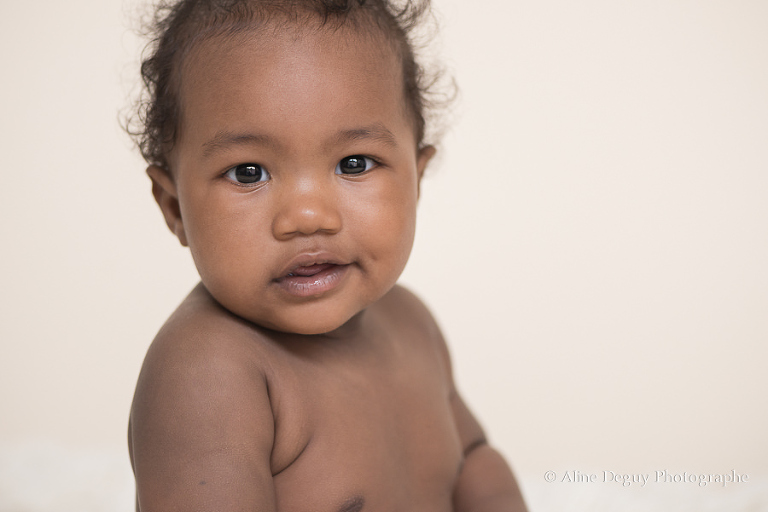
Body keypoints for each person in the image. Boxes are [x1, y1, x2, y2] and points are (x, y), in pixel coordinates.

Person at [127, 0, 528, 510]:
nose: (309, 216)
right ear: (174, 206)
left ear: (417, 178)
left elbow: (473, 460)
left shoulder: (411, 322)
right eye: (249, 172)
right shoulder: (210, 374)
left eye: (354, 163)